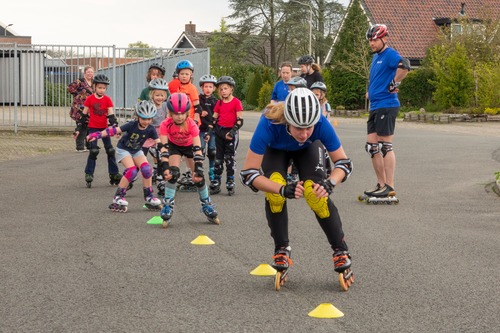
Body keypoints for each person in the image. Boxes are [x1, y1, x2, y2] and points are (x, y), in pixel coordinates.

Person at [239, 88, 353, 281]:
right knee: (275, 193)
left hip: (308, 150)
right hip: (276, 150)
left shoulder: (320, 123)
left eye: (309, 127)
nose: (304, 133)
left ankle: (340, 251)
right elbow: (249, 174)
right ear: (287, 120)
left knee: (316, 195)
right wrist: (282, 189)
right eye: (299, 128)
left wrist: (330, 183)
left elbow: (343, 163)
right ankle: (281, 249)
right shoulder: (269, 122)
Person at [87, 101, 162, 212]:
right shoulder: (132, 125)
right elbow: (114, 130)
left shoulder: (151, 129)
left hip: (136, 150)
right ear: (138, 117)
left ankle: (149, 196)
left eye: (149, 119)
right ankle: (118, 197)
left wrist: (164, 151)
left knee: (147, 169)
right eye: (143, 118)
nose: (146, 122)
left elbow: (158, 142)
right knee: (132, 171)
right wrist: (97, 135)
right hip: (124, 149)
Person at [157, 93, 220, 227]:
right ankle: (167, 204)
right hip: (174, 147)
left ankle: (206, 204)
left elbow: (197, 148)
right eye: (175, 113)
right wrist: (165, 166)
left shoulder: (192, 125)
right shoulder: (165, 124)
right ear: (170, 113)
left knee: (198, 177)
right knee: (172, 174)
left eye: (182, 113)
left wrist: (198, 167)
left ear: (187, 113)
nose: (179, 117)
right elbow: (163, 147)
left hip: (190, 147)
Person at [364, 24, 410, 198]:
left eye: (374, 40)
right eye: (370, 40)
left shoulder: (389, 54)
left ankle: (390, 186)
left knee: (384, 145)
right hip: (376, 105)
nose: (372, 43)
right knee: (372, 147)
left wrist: (395, 83)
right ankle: (380, 184)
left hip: (387, 104)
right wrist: (371, 91)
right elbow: (379, 78)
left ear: (383, 38)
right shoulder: (376, 57)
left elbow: (405, 66)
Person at [74, 74, 121, 187]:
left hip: (104, 129)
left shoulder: (107, 100)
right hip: (93, 128)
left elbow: (111, 115)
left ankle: (114, 174)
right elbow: (83, 116)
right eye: (99, 87)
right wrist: (78, 129)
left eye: (104, 88)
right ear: (94, 87)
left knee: (110, 150)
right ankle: (89, 173)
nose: (102, 90)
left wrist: (115, 127)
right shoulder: (90, 99)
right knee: (94, 150)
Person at [168, 60, 203, 191]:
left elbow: (198, 107)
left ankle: (193, 174)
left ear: (191, 75)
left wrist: (195, 121)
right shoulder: (176, 87)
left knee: (191, 152)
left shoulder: (192, 88)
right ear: (178, 74)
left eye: (187, 74)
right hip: (177, 121)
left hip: (190, 122)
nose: (184, 76)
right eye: (182, 74)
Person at [210, 76, 244, 196]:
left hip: (231, 133)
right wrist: (209, 132)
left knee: (229, 159)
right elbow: (214, 119)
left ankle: (230, 180)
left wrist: (233, 132)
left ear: (231, 89)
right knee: (218, 159)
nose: (223, 91)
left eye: (225, 88)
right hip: (220, 132)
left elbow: (240, 120)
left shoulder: (236, 102)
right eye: (221, 89)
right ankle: (216, 181)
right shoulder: (219, 103)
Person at [197, 74, 218, 182]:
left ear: (214, 88)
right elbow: (195, 108)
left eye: (210, 87)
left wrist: (211, 129)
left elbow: (217, 116)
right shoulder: (199, 99)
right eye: (206, 86)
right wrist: (201, 112)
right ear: (202, 87)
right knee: (200, 151)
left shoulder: (216, 101)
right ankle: (199, 172)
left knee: (212, 151)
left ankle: (212, 170)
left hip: (212, 130)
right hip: (201, 130)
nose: (208, 89)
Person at [68, 65, 94, 152]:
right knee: (81, 126)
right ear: (85, 73)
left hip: (90, 108)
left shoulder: (94, 82)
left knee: (89, 127)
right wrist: (78, 95)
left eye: (91, 72)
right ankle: (79, 147)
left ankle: (89, 145)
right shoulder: (80, 81)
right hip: (80, 108)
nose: (90, 74)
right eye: (88, 72)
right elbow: (70, 88)